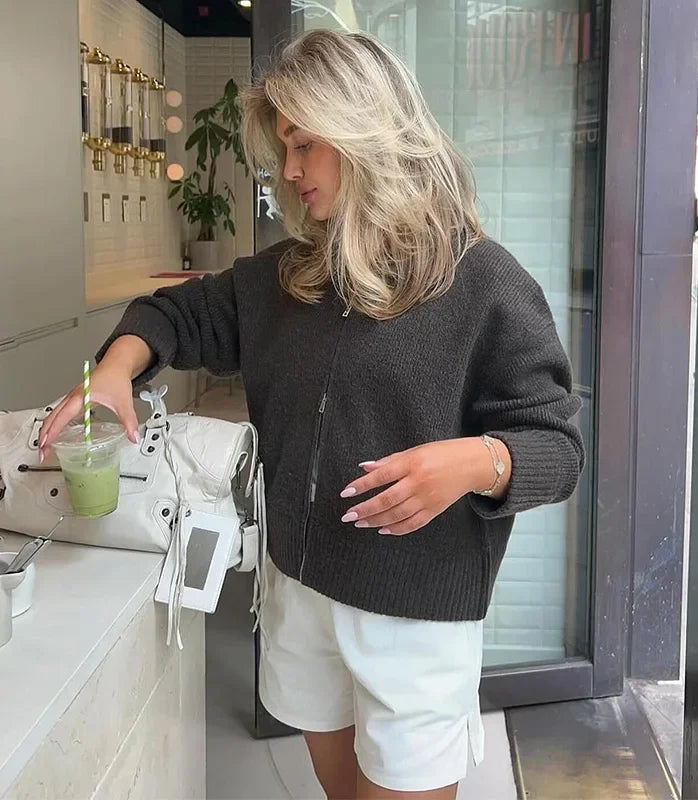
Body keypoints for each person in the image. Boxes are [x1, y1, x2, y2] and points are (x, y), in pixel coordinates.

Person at [40, 30, 584, 800]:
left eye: (304, 145)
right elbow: (171, 314)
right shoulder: (287, 279)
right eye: (284, 149)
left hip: (414, 620)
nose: (288, 172)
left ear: (363, 131)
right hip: (299, 596)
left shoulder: (482, 282)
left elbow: (557, 447)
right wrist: (116, 369)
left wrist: (472, 462)